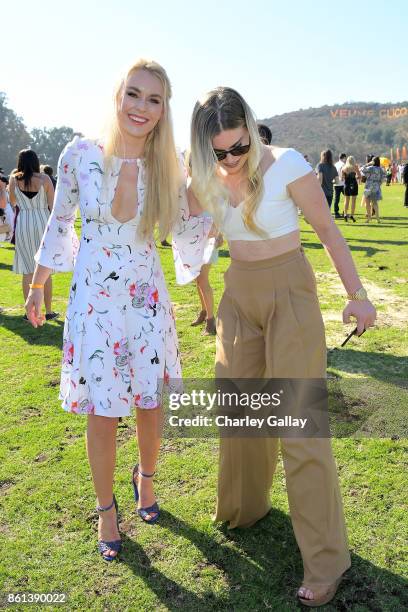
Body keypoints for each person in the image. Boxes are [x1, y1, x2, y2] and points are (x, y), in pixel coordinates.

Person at [186, 86, 376, 607]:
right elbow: (171, 215)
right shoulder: (202, 175)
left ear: (250, 127)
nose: (229, 159)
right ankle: (245, 508)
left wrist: (358, 296)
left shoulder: (287, 163)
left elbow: (329, 231)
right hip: (238, 294)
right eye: (218, 152)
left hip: (289, 290)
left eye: (237, 147)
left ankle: (326, 560)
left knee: (298, 425)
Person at [25, 59, 212, 562]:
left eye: (154, 99)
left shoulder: (168, 163)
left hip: (146, 299)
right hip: (94, 302)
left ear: (163, 108)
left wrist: (212, 193)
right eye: (134, 94)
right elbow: (60, 223)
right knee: (104, 410)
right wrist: (39, 286)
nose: (141, 108)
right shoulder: (79, 154)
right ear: (118, 95)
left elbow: (186, 226)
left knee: (151, 403)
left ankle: (145, 481)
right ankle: (106, 511)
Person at [8, 150, 58, 320]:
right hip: (43, 221)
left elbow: (13, 202)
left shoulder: (14, 180)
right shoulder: (45, 179)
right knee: (45, 269)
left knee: (28, 270)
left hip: (24, 222)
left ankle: (28, 312)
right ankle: (49, 311)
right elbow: (53, 205)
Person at [360, 156, 386, 223]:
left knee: (368, 203)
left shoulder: (371, 168)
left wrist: (368, 163)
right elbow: (383, 178)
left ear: (373, 161)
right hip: (376, 187)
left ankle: (369, 218)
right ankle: (378, 219)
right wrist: (379, 183)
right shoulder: (380, 169)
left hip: (368, 186)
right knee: (375, 203)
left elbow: (362, 169)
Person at [342, 156, 361, 222]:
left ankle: (345, 214)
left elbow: (342, 178)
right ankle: (352, 215)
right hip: (354, 185)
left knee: (346, 200)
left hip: (346, 185)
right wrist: (356, 177)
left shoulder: (344, 168)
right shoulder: (355, 167)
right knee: (353, 201)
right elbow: (359, 176)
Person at [334, 153, 347, 218]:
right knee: (346, 198)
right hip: (343, 183)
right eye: (345, 158)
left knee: (336, 199)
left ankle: (336, 212)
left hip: (336, 183)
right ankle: (345, 211)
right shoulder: (344, 164)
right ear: (344, 158)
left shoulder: (335, 164)